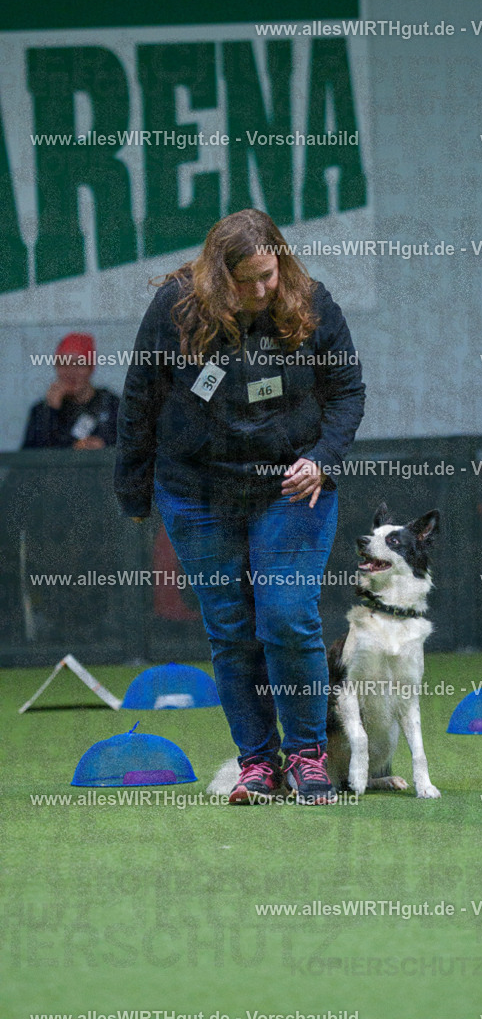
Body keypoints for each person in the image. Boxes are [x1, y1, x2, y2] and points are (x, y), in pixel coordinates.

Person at [114, 209, 365, 804]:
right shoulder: (177, 309)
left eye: (267, 276)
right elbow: (140, 398)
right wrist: (133, 490)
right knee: (230, 630)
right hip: (198, 492)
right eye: (244, 281)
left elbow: (346, 391)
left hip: (290, 486)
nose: (258, 291)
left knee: (287, 617)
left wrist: (323, 457)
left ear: (282, 264)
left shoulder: (314, 304)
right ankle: (257, 762)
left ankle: (306, 755)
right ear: (217, 276)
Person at [22, 332, 119, 449]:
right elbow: (30, 455)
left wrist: (105, 447)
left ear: (91, 368)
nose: (71, 372)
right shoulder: (41, 411)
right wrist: (50, 413)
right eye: (63, 364)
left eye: (79, 364)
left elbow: (131, 448)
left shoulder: (112, 405)